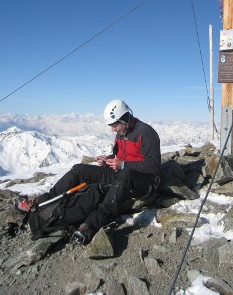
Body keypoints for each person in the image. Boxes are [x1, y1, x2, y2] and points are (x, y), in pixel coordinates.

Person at [15, 99, 161, 244]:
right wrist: (108, 160)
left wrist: (123, 165)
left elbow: (154, 166)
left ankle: (91, 225)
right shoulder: (121, 132)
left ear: (125, 118)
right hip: (121, 172)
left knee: (125, 175)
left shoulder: (146, 133)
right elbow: (120, 157)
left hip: (143, 182)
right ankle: (42, 202)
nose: (112, 130)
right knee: (79, 170)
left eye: (114, 125)